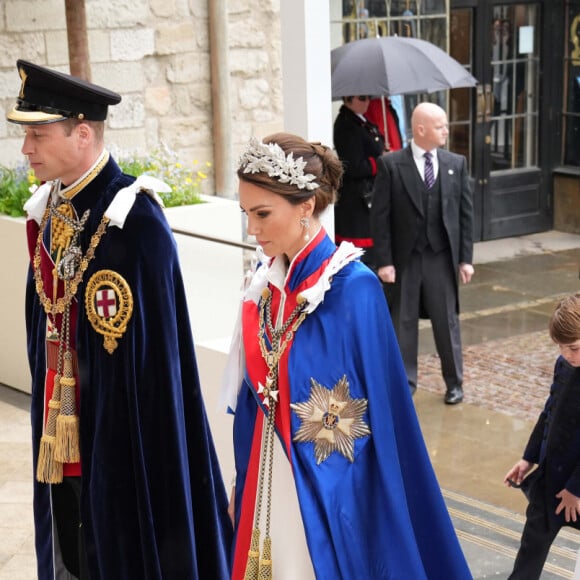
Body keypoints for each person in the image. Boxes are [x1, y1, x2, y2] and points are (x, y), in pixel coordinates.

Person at [6, 60, 232, 579]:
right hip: (59, 438)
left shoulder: (134, 221)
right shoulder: (50, 212)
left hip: (120, 446)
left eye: (38, 135)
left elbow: (158, 368)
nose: (26, 150)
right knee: (68, 553)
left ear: (82, 133)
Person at [221, 132, 472, 578]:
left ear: (305, 206)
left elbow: (380, 421)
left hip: (331, 489)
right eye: (246, 214)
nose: (252, 229)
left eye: (262, 214)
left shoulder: (354, 288)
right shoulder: (262, 288)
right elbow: (252, 398)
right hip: (268, 480)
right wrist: (243, 478)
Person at [370, 101, 474, 404]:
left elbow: (466, 215)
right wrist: (385, 262)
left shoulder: (456, 163)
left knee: (447, 323)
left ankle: (455, 383)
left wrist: (466, 259)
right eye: (440, 125)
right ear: (420, 129)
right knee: (403, 323)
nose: (446, 130)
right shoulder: (391, 165)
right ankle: (405, 383)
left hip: (441, 258)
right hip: (405, 260)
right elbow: (380, 217)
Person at [504, 292, 580, 579]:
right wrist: (528, 458)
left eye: (573, 348)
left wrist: (575, 489)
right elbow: (548, 413)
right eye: (561, 348)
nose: (566, 355)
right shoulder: (564, 365)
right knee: (530, 551)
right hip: (550, 481)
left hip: (577, 487)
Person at [333, 95, 385, 269]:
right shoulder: (346, 125)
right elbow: (354, 166)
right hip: (356, 198)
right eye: (362, 98)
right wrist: (382, 161)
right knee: (361, 255)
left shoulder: (361, 120)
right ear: (348, 99)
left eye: (369, 97)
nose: (367, 102)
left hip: (368, 193)